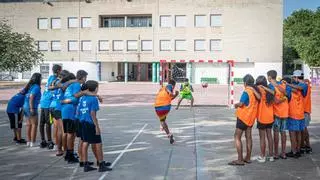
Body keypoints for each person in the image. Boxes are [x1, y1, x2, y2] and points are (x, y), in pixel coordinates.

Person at [78, 80, 112, 172]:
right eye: (97, 87)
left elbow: (79, 111)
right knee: (98, 144)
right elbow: (92, 113)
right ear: (95, 89)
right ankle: (101, 164)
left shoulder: (83, 98)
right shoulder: (93, 99)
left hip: (82, 122)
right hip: (90, 123)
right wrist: (96, 126)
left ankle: (85, 164)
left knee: (85, 142)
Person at [228, 74, 261, 166]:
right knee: (248, 137)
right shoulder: (255, 92)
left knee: (237, 137)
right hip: (251, 118)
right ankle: (248, 158)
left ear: (245, 83)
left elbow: (242, 103)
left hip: (243, 117)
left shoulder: (247, 91)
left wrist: (235, 105)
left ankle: (240, 160)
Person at [61, 70, 87, 163]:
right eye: (85, 77)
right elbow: (75, 97)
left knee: (69, 133)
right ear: (83, 77)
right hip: (70, 110)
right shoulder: (76, 85)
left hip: (66, 110)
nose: (85, 79)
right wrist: (85, 92)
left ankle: (68, 153)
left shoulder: (72, 84)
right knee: (71, 134)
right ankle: (70, 154)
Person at [267, 70, 289, 159]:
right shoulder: (283, 84)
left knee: (276, 133)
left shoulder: (270, 86)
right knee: (283, 132)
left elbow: (275, 101)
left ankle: (276, 153)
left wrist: (281, 99)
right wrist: (284, 98)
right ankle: (283, 153)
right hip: (285, 112)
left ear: (269, 77)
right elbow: (286, 94)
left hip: (277, 113)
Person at [285, 70, 308, 158]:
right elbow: (298, 88)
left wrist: (286, 84)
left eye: (294, 77)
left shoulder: (300, 86)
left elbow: (286, 93)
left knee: (292, 134)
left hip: (292, 115)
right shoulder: (302, 87)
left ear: (296, 77)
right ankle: (298, 150)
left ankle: (294, 151)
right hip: (300, 114)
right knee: (298, 133)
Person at [39, 64, 62, 149]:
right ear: (58, 71)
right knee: (48, 123)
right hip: (48, 102)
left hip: (44, 101)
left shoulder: (50, 77)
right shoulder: (55, 79)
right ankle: (49, 141)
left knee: (42, 122)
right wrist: (58, 86)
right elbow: (49, 88)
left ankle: (43, 141)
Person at [49, 70, 69, 156]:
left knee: (57, 129)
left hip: (52, 106)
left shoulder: (54, 81)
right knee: (63, 130)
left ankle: (58, 147)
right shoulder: (62, 84)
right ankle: (63, 149)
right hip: (59, 106)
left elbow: (50, 88)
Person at [255, 76, 275, 163]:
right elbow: (274, 93)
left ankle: (262, 156)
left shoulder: (259, 89)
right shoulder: (269, 90)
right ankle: (271, 156)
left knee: (262, 137)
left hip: (261, 117)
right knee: (269, 136)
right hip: (270, 117)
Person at [154, 79, 179, 144]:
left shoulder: (162, 89)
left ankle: (169, 134)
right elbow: (169, 88)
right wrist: (172, 93)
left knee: (162, 120)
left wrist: (175, 95)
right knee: (163, 117)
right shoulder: (169, 86)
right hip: (166, 107)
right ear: (173, 85)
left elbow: (170, 98)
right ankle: (163, 126)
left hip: (157, 107)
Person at [23, 73, 42, 147]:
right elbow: (31, 97)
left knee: (29, 125)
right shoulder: (36, 87)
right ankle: (32, 142)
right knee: (34, 125)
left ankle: (28, 141)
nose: (41, 79)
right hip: (31, 107)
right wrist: (31, 108)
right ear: (38, 79)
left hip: (25, 106)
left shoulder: (30, 86)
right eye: (41, 78)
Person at [301, 77, 312, 154]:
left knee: (303, 129)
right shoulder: (306, 85)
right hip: (305, 110)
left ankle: (305, 146)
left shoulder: (304, 86)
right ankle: (306, 145)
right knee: (304, 129)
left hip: (304, 110)